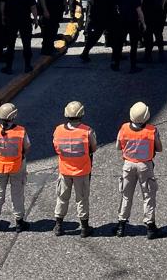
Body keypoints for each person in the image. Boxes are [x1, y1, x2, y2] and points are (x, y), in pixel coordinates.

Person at [115, 101, 163, 238]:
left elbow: (118, 146)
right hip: (145, 166)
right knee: (148, 196)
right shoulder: (152, 130)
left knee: (126, 195)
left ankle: (121, 226)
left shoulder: (124, 128)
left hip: (128, 165)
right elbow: (159, 148)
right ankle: (150, 227)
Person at [53, 101, 98, 237]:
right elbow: (93, 148)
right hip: (82, 171)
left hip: (65, 170)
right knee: (82, 199)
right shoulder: (87, 131)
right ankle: (84, 228)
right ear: (81, 114)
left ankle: (59, 226)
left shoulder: (58, 130)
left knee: (62, 197)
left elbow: (56, 148)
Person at [0, 103, 30, 233]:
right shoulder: (20, 131)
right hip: (16, 166)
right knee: (17, 194)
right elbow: (27, 146)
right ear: (13, 116)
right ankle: (19, 222)